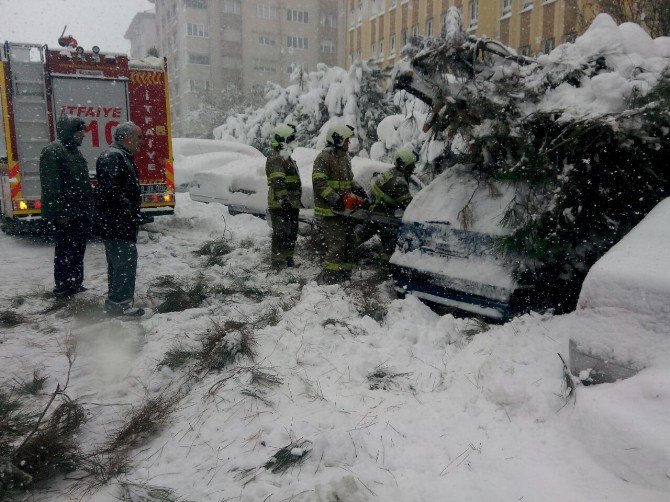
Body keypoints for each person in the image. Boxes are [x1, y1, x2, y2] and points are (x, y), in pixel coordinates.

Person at [39, 115, 93, 299]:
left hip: (79, 212)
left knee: (77, 250)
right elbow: (51, 186)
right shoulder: (53, 151)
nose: (83, 135)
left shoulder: (74, 152)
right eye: (80, 131)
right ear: (70, 132)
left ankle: (75, 283)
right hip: (66, 214)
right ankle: (63, 288)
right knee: (64, 251)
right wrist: (61, 213)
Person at [95, 122, 144, 316]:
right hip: (117, 223)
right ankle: (120, 305)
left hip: (118, 223)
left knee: (121, 262)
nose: (142, 142)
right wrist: (128, 211)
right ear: (124, 137)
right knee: (123, 262)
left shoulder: (121, 156)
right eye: (138, 137)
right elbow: (112, 192)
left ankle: (118, 302)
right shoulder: (113, 157)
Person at [312, 124, 367, 284]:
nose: (348, 144)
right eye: (346, 140)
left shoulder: (344, 158)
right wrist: (335, 199)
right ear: (337, 140)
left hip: (345, 211)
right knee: (336, 245)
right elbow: (319, 182)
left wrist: (359, 191)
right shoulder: (323, 158)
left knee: (349, 243)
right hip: (330, 211)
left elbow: (349, 180)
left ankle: (344, 276)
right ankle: (327, 279)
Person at [355, 148, 418, 262]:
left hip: (375, 211)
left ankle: (343, 252)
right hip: (384, 216)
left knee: (361, 236)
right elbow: (409, 205)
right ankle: (386, 266)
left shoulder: (390, 173)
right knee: (391, 243)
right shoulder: (399, 181)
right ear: (403, 165)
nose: (414, 168)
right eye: (411, 165)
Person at [266, 123, 302, 268]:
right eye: (291, 139)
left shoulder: (286, 157)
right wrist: (284, 200)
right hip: (281, 204)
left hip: (290, 204)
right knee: (281, 234)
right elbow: (277, 181)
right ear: (283, 140)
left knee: (291, 233)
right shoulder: (276, 158)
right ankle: (278, 262)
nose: (293, 143)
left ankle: (288, 260)